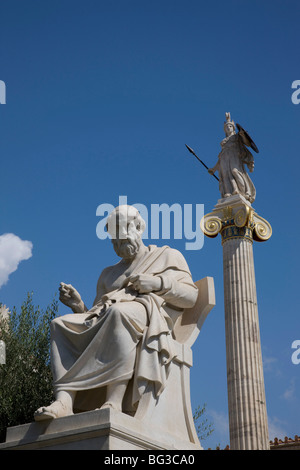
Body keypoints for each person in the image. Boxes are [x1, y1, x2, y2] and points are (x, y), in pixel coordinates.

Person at [34, 205, 198, 421]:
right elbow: (93, 321)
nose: (118, 243)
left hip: (145, 316)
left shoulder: (167, 256)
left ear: (139, 227)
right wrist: (78, 305)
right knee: (59, 324)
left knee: (118, 313)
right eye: (114, 240)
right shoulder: (108, 274)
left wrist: (156, 282)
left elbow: (190, 296)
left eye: (122, 235)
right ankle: (64, 400)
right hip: (111, 316)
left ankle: (114, 400)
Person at [208, 112, 256, 203]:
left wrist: (242, 135)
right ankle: (231, 191)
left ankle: (246, 192)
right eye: (226, 127)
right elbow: (220, 156)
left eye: (230, 126)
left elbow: (247, 143)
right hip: (225, 157)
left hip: (234, 156)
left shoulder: (237, 137)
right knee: (226, 174)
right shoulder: (224, 142)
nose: (228, 128)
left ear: (233, 128)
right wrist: (214, 169)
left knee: (235, 171)